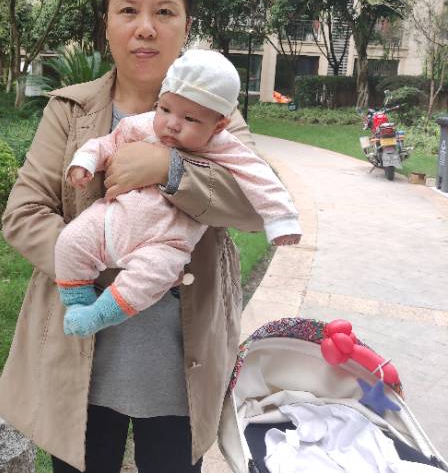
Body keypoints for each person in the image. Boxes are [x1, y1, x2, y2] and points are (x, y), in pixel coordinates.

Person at [0, 0, 283, 473]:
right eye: (128, 10)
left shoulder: (217, 119)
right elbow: (24, 213)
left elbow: (254, 204)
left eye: (164, 12)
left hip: (179, 367)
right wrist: (99, 256)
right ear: (107, 23)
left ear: (186, 27)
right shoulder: (70, 111)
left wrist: (169, 169)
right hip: (84, 363)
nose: (145, 28)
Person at [55, 48, 301, 337]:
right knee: (70, 241)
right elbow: (105, 143)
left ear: (219, 125)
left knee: (153, 275)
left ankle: (98, 315)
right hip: (109, 221)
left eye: (190, 119)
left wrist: (282, 220)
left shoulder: (223, 146)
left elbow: (258, 176)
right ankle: (78, 302)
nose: (172, 124)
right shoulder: (141, 125)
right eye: (165, 109)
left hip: (165, 241)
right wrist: (85, 162)